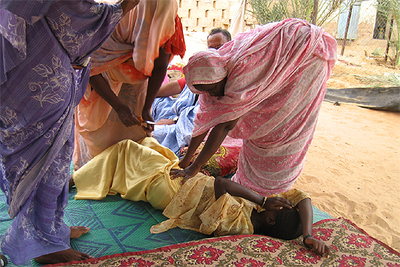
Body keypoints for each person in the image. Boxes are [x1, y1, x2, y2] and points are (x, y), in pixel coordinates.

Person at [0, 0, 140, 264]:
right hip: (38, 83)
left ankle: (51, 230)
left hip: (21, 81)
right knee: (45, 164)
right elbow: (83, 22)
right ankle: (42, 243)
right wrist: (126, 5)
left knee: (43, 159)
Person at [72, 138, 330, 256]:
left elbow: (221, 183)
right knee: (148, 146)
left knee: (126, 149)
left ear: (271, 220)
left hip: (172, 193)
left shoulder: (239, 226)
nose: (279, 200)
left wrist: (262, 200)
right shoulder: (260, 213)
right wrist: (308, 235)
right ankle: (91, 174)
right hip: (188, 180)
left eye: (280, 206)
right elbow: (303, 197)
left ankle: (75, 179)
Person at [171, 19, 337, 196]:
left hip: (307, 56)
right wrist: (186, 161)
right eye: (207, 92)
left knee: (283, 126)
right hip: (292, 44)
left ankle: (271, 190)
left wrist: (195, 167)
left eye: (212, 90)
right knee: (261, 131)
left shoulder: (239, 78)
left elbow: (225, 125)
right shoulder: (210, 74)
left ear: (222, 77)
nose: (212, 96)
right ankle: (250, 185)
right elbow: (203, 121)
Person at [73, 0, 185, 170]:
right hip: (102, 82)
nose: (154, 30)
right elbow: (89, 67)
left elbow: (160, 66)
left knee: (134, 132)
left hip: (137, 82)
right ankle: (93, 173)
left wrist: (148, 107)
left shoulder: (168, 20)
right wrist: (117, 106)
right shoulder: (109, 19)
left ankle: (124, 173)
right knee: (101, 136)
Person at [151, 28, 232, 156]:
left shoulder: (232, 77)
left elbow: (206, 116)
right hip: (183, 118)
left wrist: (173, 121)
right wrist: (147, 96)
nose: (215, 52)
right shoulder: (202, 70)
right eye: (211, 48)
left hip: (193, 126)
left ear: (230, 46)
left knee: (150, 137)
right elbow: (178, 86)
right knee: (156, 101)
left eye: (219, 47)